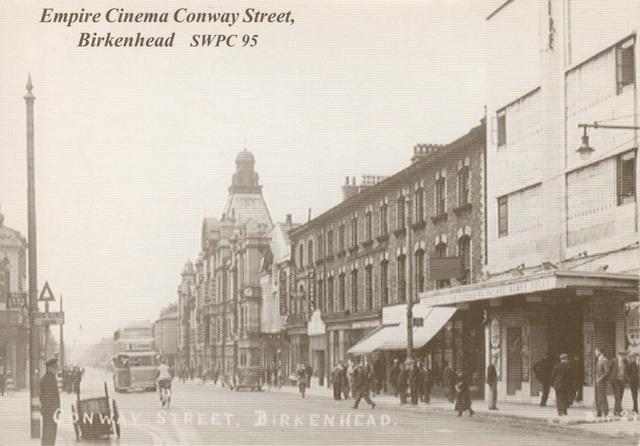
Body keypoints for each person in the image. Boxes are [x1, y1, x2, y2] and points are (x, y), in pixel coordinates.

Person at [40, 358, 61, 446]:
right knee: (49, 433)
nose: (56, 369)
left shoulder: (49, 378)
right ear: (49, 368)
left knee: (50, 433)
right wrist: (54, 411)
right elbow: (47, 397)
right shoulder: (48, 380)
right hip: (50, 411)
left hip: (50, 411)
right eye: (54, 367)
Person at [594, 348, 610, 417]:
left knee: (602, 396)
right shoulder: (598, 360)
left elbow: (607, 371)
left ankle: (605, 412)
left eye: (596, 351)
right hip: (597, 381)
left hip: (602, 382)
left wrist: (600, 379)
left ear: (600, 352)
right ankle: (599, 412)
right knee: (597, 397)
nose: (595, 353)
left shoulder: (604, 360)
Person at [610, 352, 627, 416]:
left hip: (622, 381)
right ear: (619, 355)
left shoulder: (625, 362)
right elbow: (609, 369)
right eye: (622, 355)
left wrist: (626, 379)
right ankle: (617, 411)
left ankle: (617, 410)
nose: (623, 357)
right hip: (615, 381)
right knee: (618, 396)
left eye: (624, 355)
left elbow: (627, 370)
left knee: (620, 396)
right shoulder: (613, 361)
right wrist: (611, 377)